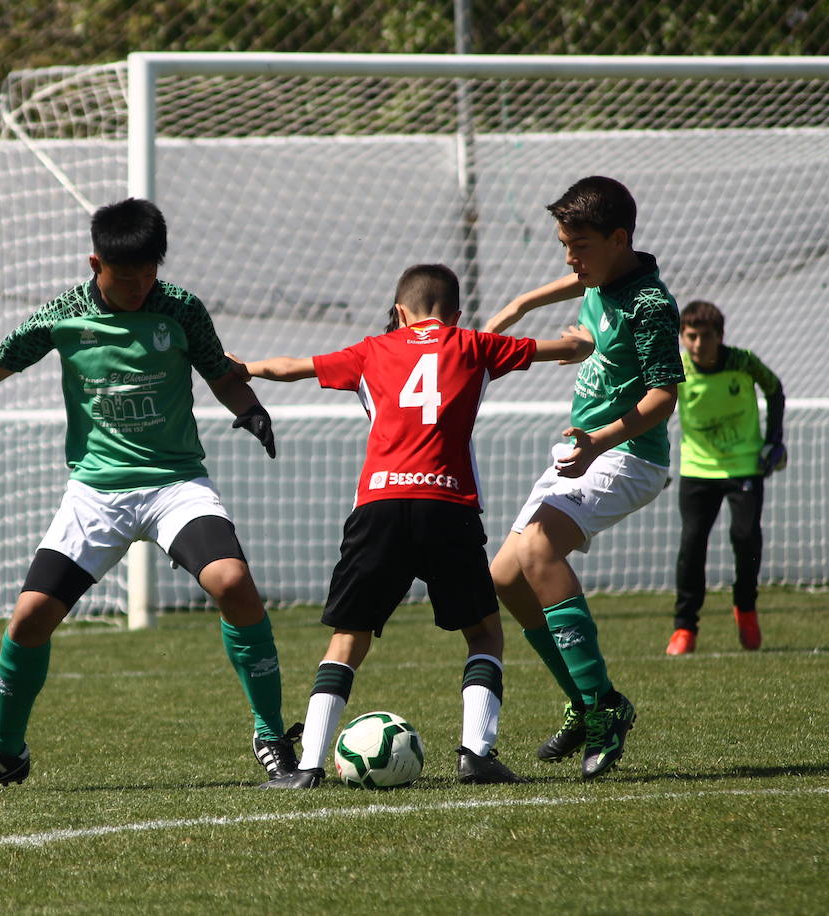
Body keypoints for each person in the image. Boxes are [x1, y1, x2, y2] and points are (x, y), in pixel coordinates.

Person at [0, 198, 299, 792]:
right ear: (95, 262)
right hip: (95, 494)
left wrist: (248, 409)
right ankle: (4, 751)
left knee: (232, 583)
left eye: (150, 275)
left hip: (174, 483)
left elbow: (219, 370)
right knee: (30, 617)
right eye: (127, 279)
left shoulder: (182, 310)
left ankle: (271, 735)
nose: (141, 289)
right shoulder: (62, 315)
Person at [230, 263, 594, 788]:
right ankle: (476, 755)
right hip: (448, 506)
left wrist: (248, 369)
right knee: (484, 632)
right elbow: (560, 351)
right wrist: (576, 341)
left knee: (348, 638)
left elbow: (292, 367)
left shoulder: (371, 350)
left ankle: (307, 767)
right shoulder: (474, 345)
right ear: (456, 314)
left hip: (379, 506)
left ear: (399, 312)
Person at [484, 175, 685, 780]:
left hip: (627, 456)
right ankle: (580, 698)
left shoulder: (650, 305)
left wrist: (597, 441)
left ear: (619, 238)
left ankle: (603, 708)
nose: (571, 258)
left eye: (581, 245)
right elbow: (577, 283)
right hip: (581, 452)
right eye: (564, 244)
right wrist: (520, 305)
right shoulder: (601, 276)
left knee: (540, 549)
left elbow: (662, 398)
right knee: (505, 576)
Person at [668, 300, 786, 655]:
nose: (698, 344)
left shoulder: (743, 362)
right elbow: (654, 407)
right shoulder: (676, 367)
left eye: (706, 336)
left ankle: (746, 608)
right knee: (692, 544)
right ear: (682, 338)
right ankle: (684, 629)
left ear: (720, 336)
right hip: (697, 468)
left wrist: (774, 441)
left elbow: (775, 389)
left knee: (745, 536)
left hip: (745, 465)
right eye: (691, 337)